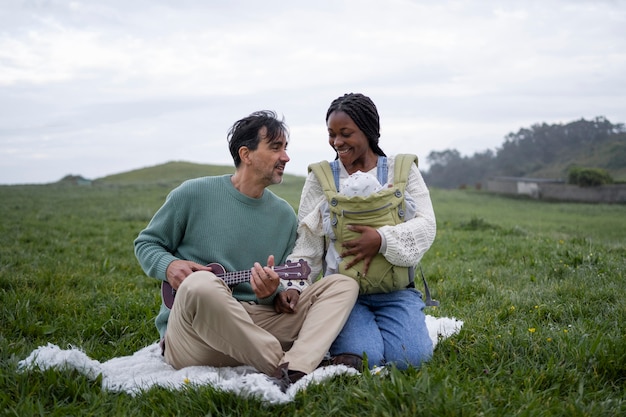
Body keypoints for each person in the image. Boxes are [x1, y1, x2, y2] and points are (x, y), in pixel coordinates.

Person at [134, 110, 359, 392]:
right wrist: (169, 266)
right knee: (201, 283)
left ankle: (298, 367)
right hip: (194, 334)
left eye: (286, 149)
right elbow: (146, 243)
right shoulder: (192, 194)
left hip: (256, 325)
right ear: (246, 154)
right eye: (276, 148)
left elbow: (282, 284)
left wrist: (277, 292)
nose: (286, 158)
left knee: (342, 284)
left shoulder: (283, 215)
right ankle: (286, 366)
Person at [287, 93, 437, 370]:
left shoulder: (401, 171)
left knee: (411, 360)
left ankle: (399, 323)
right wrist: (295, 286)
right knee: (362, 357)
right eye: (331, 134)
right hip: (344, 295)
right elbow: (308, 244)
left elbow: (427, 225)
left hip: (396, 291)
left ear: (368, 131)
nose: (337, 142)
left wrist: (381, 240)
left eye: (346, 133)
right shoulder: (321, 178)